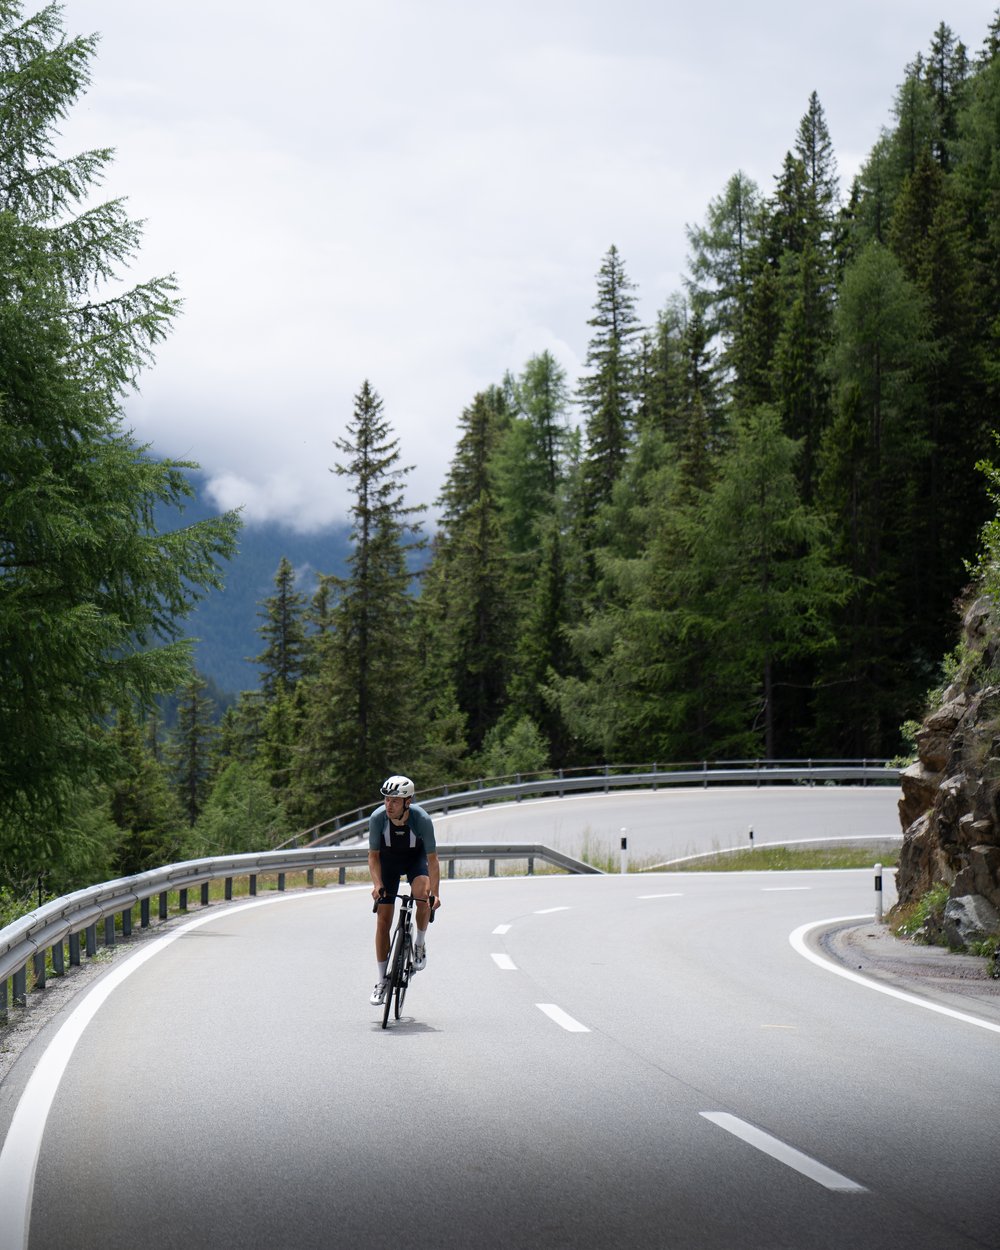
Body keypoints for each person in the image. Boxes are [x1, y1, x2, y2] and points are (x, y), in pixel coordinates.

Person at [368, 775, 440, 1006]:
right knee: (383, 921)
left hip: (414, 860)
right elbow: (373, 857)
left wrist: (435, 894)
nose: (389, 805)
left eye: (395, 801)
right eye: (387, 800)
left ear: (407, 802)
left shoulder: (422, 820)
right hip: (388, 862)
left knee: (422, 895)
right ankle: (381, 981)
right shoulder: (378, 819)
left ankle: (419, 942)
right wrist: (378, 884)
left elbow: (433, 860)